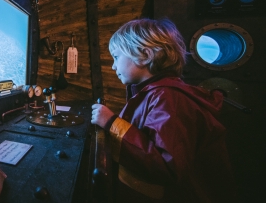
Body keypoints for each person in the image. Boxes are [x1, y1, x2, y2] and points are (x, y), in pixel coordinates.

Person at [91, 18, 237, 203]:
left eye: (116, 57)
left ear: (145, 55)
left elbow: (167, 166)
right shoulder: (154, 93)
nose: (113, 66)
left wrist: (111, 122)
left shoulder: (168, 99)